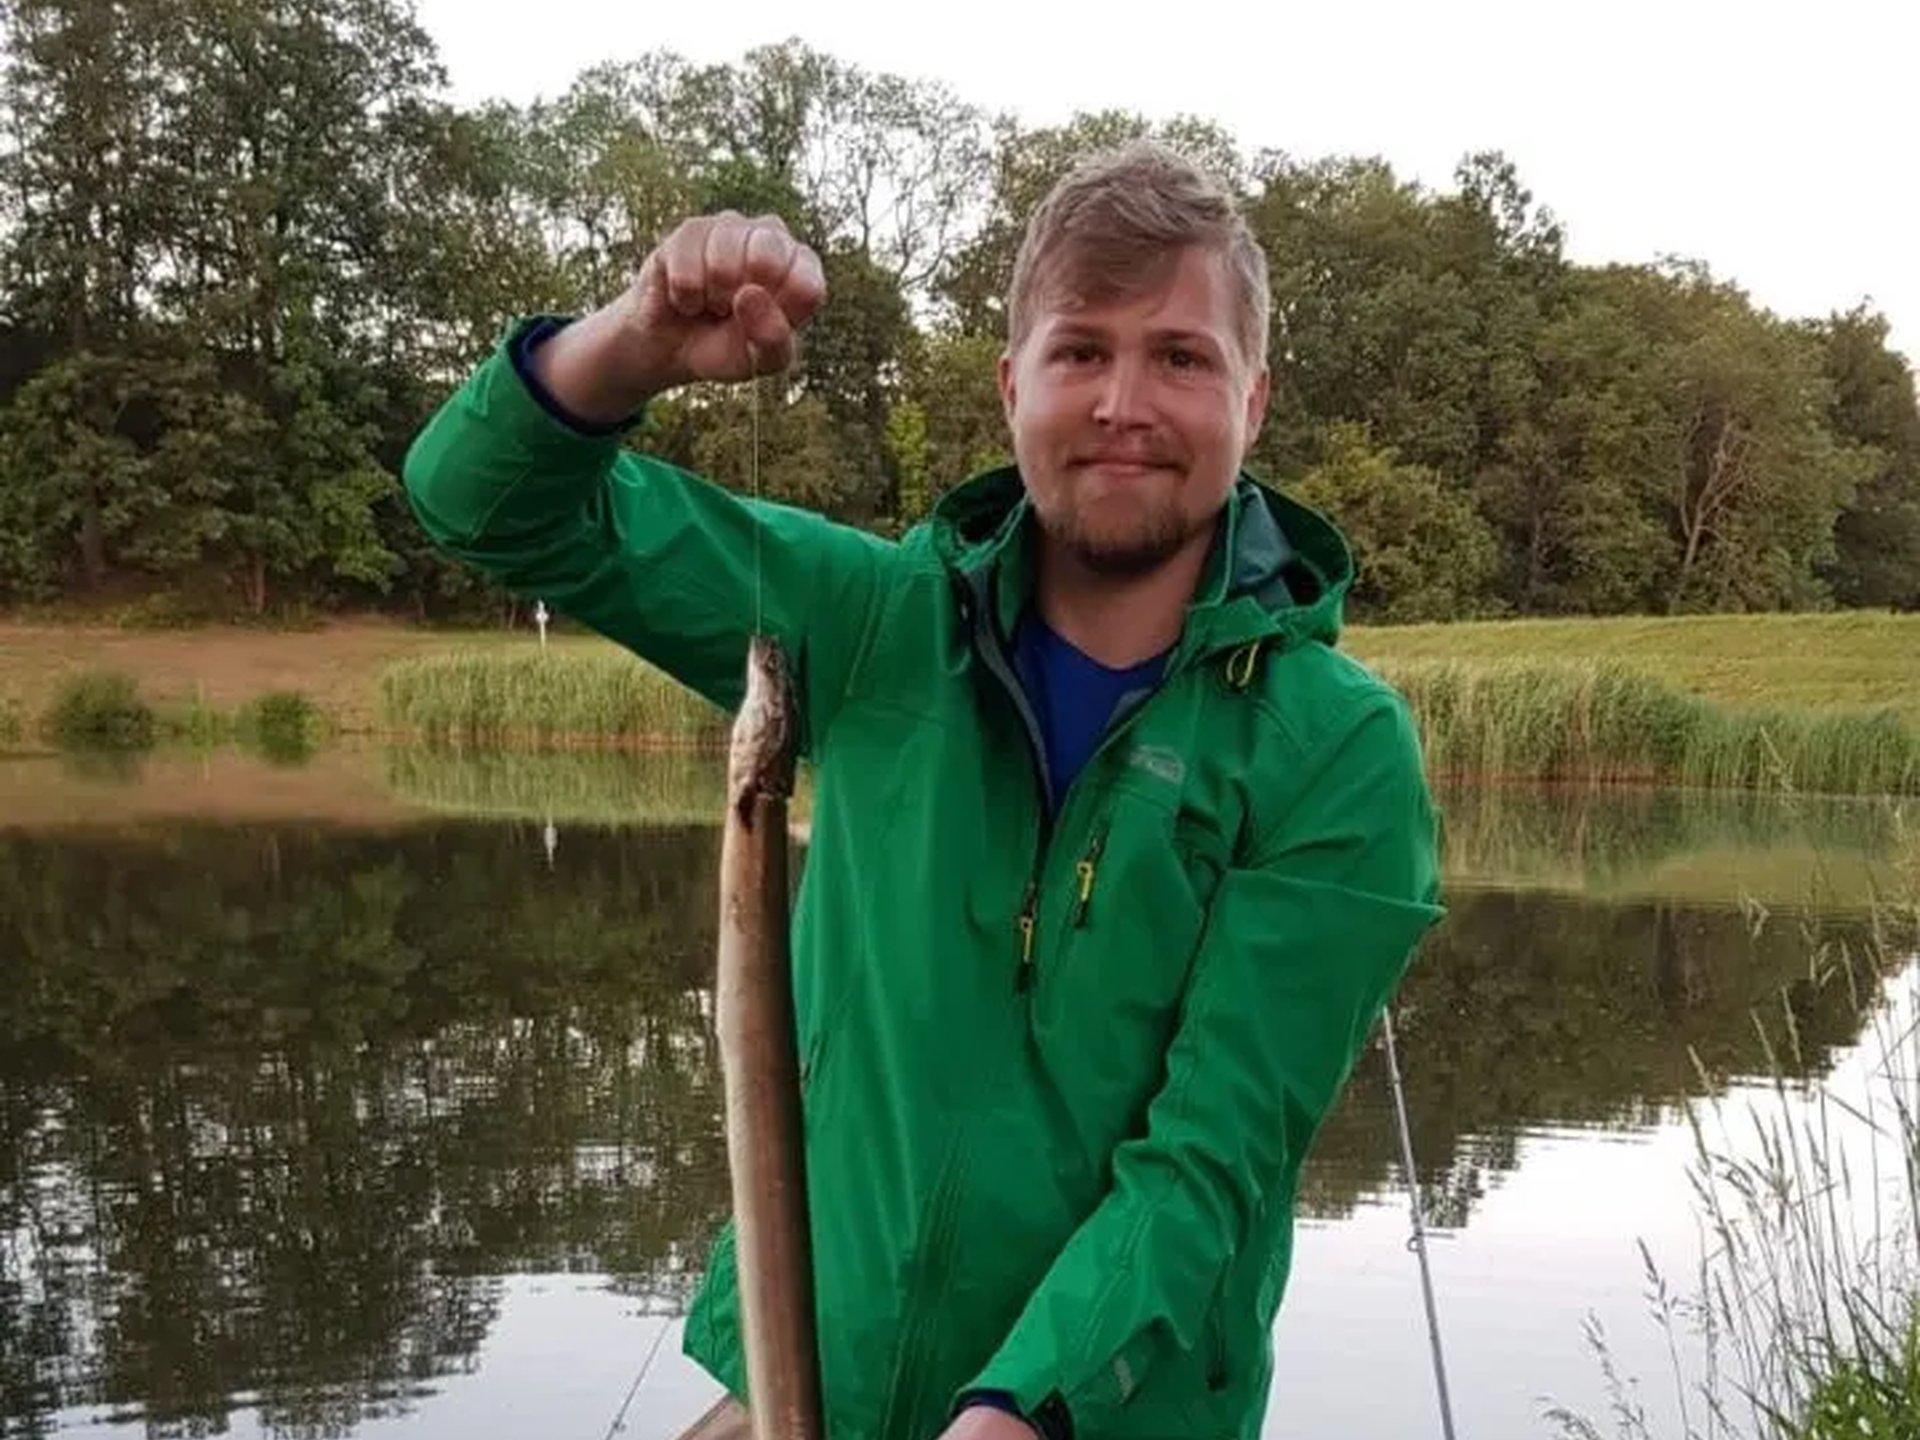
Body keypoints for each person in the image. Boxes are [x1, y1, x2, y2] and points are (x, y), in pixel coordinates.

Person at [404, 141, 1443, 1440]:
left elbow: (1210, 1166)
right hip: (803, 1397)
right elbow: (479, 504)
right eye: (1080, 351)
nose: (1123, 402)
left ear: (1256, 398)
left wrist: (1018, 1406)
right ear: (1013, 386)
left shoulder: (1337, 751)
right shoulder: (875, 624)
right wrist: (632, 345)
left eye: (1181, 357)